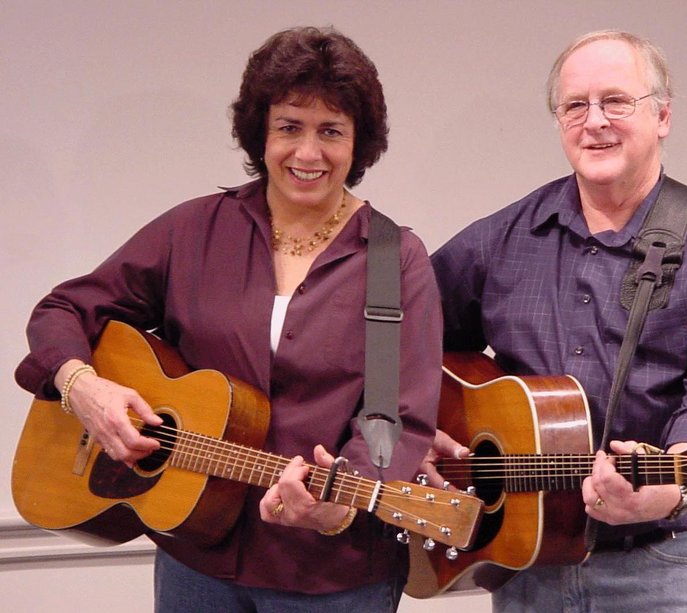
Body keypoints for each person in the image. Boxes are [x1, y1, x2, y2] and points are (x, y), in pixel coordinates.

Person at [14, 26, 442, 612]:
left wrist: (339, 498)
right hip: (196, 557)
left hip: (330, 575)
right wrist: (81, 388)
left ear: (358, 143)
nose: (308, 153)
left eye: (331, 131)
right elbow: (64, 309)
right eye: (289, 126)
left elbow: (395, 417)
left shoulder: (395, 261)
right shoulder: (194, 230)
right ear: (260, 133)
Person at [424, 30, 687, 612]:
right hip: (528, 565)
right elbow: (404, 338)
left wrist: (666, 489)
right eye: (575, 106)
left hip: (664, 565)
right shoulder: (506, 237)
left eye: (616, 101)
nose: (595, 122)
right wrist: (419, 426)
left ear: (662, 116)